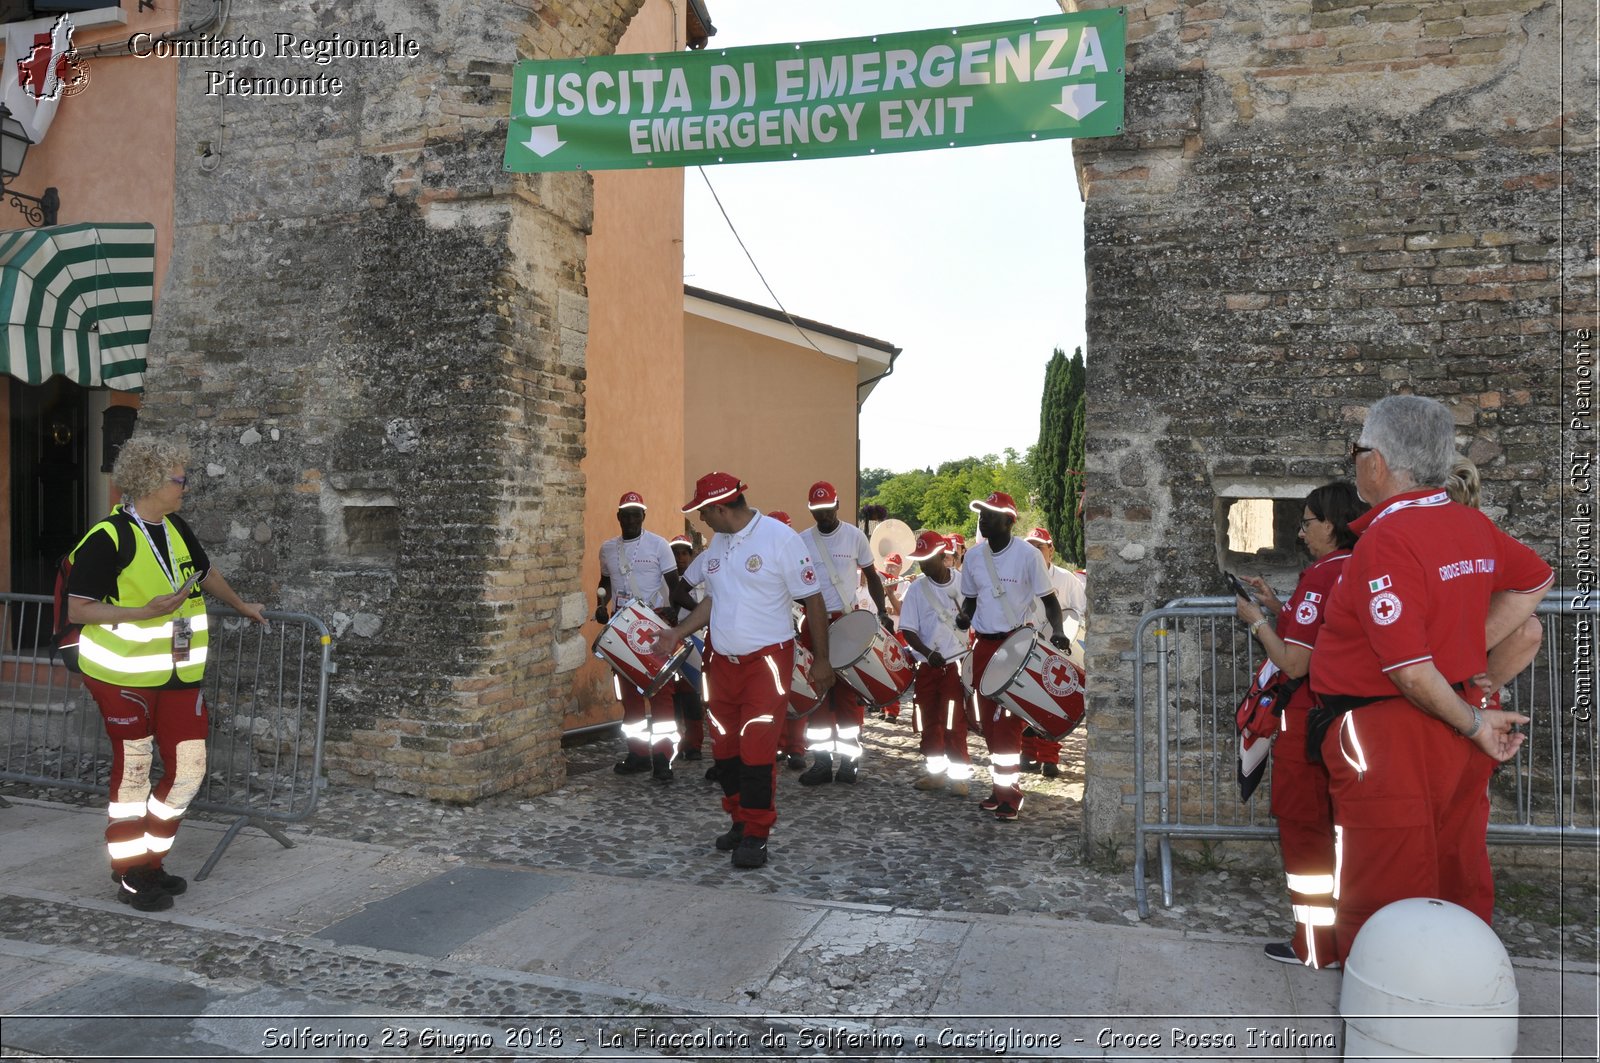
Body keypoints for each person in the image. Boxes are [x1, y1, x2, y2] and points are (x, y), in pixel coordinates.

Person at [1309, 395, 1552, 965]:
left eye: (1358, 450)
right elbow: (1534, 585)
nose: (1355, 462)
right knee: (1455, 868)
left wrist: (1469, 716)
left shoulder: (1388, 539)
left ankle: (1395, 1019)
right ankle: (1458, 999)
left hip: (1386, 733)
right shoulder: (1468, 524)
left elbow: (1410, 670)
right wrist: (1472, 679)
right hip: (1448, 724)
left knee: (1384, 881)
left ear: (1381, 462)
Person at [66, 436, 268, 912]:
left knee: (189, 768)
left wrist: (241, 605)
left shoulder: (175, 527)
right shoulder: (107, 537)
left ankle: (151, 861)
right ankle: (130, 873)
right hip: (123, 677)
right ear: (151, 482)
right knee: (134, 772)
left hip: (178, 673)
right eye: (179, 478)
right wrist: (144, 612)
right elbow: (77, 609)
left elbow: (205, 572)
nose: (186, 487)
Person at [664, 472, 833, 869]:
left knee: (756, 749)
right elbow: (714, 601)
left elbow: (814, 601)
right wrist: (678, 631)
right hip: (720, 663)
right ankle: (739, 820)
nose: (700, 519)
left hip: (767, 663)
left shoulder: (780, 540)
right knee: (724, 749)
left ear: (721, 508)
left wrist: (822, 659)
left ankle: (757, 834)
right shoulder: (717, 544)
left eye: (703, 511)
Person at [1234, 482, 1368, 969]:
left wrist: (1255, 621)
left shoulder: (1321, 574)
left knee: (1304, 831)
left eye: (1307, 521)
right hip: (1347, 722)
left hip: (1306, 720)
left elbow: (1294, 662)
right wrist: (1276, 606)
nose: (1301, 530)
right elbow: (1321, 631)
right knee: (1344, 834)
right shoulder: (1359, 567)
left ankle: (1314, 945)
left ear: (1330, 526)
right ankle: (1351, 937)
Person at [956, 492, 1071, 821]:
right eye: (981, 514)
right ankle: (999, 789)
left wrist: (1059, 631)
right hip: (984, 647)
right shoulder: (975, 558)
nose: (982, 519)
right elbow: (970, 600)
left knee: (1007, 724)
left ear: (1008, 520)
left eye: (989, 514)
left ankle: (1010, 795)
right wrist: (965, 616)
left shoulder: (1027, 556)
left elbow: (1049, 601)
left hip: (1016, 646)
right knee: (989, 726)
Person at [798, 480, 891, 786]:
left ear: (837, 505)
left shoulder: (854, 536)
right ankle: (822, 762)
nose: (822, 515)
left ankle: (849, 762)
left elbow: (872, 576)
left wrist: (882, 612)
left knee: (848, 695)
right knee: (818, 693)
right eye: (817, 511)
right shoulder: (801, 541)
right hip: (814, 623)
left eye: (827, 509)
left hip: (846, 623)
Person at [595, 491, 688, 783]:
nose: (632, 519)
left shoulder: (659, 545)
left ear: (644, 516)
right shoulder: (608, 549)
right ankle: (637, 755)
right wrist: (600, 604)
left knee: (661, 694)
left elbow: (674, 587)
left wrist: (673, 613)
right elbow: (605, 582)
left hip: (652, 623)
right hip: (622, 630)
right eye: (627, 514)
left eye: (637, 513)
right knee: (629, 697)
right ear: (619, 517)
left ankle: (663, 759)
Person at [1445, 458, 1546, 702]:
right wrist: (1482, 691)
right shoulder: (1486, 538)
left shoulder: (1415, 539)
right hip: (1471, 699)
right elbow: (1528, 631)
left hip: (1426, 691)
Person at [898, 530, 973, 796]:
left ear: (943, 557)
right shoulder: (917, 588)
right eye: (919, 560)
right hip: (928, 667)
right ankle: (935, 773)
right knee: (928, 718)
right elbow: (908, 629)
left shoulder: (964, 584)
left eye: (927, 559)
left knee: (954, 721)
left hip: (954, 667)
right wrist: (927, 653)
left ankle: (959, 777)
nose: (922, 565)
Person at [1021, 527, 1086, 779]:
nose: (1034, 552)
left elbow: (1078, 613)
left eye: (1039, 547)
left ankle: (1049, 758)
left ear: (1051, 550)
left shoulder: (1066, 579)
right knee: (1025, 705)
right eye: (1030, 548)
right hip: (1028, 649)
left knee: (1050, 705)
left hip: (1057, 653)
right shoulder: (1020, 578)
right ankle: (1027, 753)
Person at [667, 535, 706, 762]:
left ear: (691, 556)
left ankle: (694, 744)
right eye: (676, 553)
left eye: (684, 553)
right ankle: (676, 741)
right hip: (670, 641)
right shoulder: (666, 581)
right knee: (673, 697)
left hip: (694, 641)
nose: (680, 557)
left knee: (692, 695)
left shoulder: (701, 581)